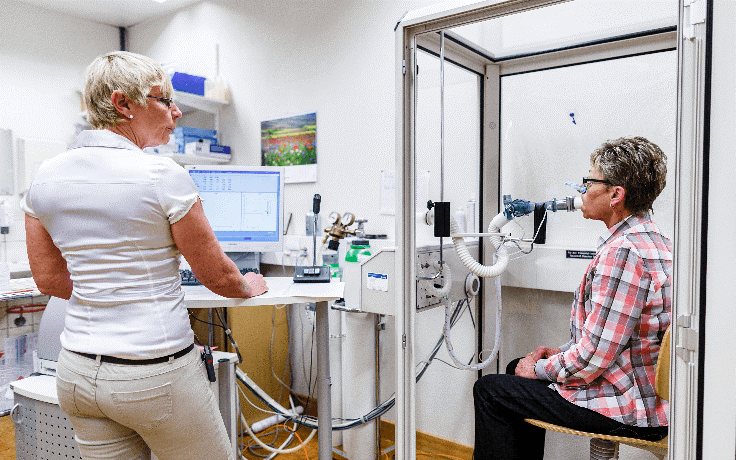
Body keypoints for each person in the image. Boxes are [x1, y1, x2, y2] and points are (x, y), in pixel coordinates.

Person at [22, 51, 267, 460]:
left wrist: (106, 287)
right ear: (122, 104)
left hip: (78, 375)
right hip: (154, 375)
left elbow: (48, 280)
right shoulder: (162, 175)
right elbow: (217, 276)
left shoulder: (45, 176)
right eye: (163, 99)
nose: (177, 110)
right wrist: (248, 284)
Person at [473, 137, 672, 460]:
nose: (580, 190)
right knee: (514, 369)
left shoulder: (623, 253)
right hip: (641, 391)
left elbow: (592, 359)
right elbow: (613, 338)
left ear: (615, 194)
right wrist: (559, 354)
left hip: (627, 407)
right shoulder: (652, 240)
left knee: (490, 390)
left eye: (589, 181)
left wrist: (539, 369)